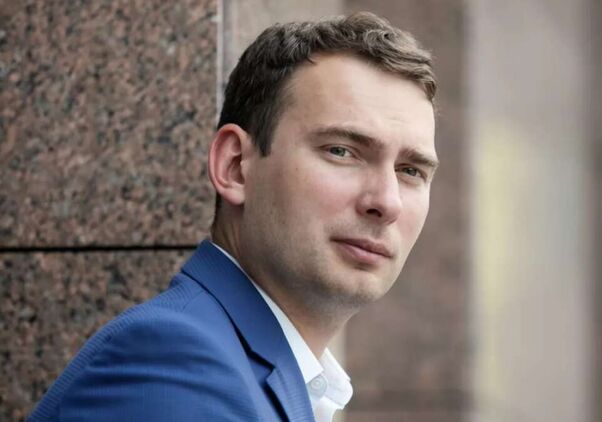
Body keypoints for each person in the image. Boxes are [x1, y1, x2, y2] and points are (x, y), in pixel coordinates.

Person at [28, 11, 438, 422]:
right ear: (235, 165)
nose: (387, 202)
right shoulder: (175, 363)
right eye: (341, 151)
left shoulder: (251, 372)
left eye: (411, 171)